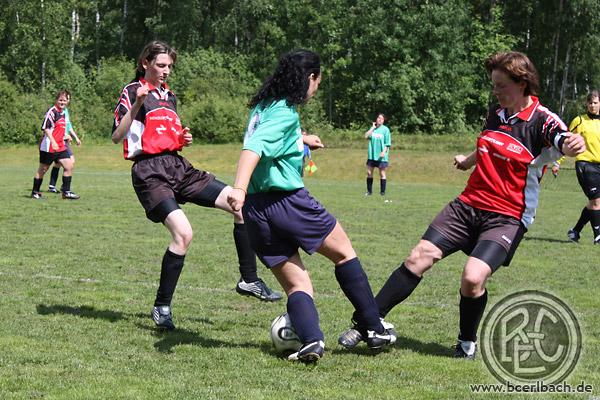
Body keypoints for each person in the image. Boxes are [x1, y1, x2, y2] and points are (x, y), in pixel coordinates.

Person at [338, 51, 586, 359]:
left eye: (501, 85)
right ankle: (368, 324)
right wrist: (468, 161)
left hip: (507, 216)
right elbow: (490, 143)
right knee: (419, 256)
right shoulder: (496, 113)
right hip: (467, 205)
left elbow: (563, 140)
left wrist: (572, 144)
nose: (495, 92)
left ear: (522, 83)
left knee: (472, 278)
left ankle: (466, 341)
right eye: (493, 85)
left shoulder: (542, 120)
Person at [227, 49, 396, 363]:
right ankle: (375, 328)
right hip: (287, 202)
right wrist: (238, 187)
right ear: (310, 77)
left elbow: (270, 139)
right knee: (344, 253)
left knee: (298, 285)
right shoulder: (284, 111)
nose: (316, 89)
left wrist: (301, 139)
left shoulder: (263, 107)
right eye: (318, 82)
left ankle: (311, 341)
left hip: (256, 211)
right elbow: (255, 147)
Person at [111, 40, 281, 331]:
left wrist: (181, 139)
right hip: (150, 173)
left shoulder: (170, 96)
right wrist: (138, 102)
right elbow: (117, 136)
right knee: (184, 234)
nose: (166, 71)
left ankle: (249, 279)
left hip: (178, 166)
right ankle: (162, 306)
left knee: (239, 203)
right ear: (145, 63)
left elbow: (164, 134)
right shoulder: (132, 91)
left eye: (169, 66)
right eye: (161, 65)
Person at [551, 90, 600, 243]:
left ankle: (575, 231)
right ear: (586, 104)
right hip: (585, 165)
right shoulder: (579, 121)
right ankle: (598, 237)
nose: (592, 105)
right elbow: (565, 143)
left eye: (595, 103)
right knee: (596, 202)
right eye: (590, 103)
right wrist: (557, 162)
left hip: (598, 166)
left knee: (594, 203)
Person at [30, 90, 80, 200]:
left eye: (65, 100)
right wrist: (53, 141)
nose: (62, 102)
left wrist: (66, 136)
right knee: (43, 169)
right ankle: (35, 192)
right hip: (49, 146)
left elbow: (58, 129)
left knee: (69, 166)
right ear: (56, 100)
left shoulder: (63, 113)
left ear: (68, 101)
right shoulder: (52, 112)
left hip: (60, 146)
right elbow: (46, 128)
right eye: (60, 100)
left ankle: (66, 192)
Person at [48, 91, 82, 193]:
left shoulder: (65, 111)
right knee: (69, 162)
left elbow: (68, 126)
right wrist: (64, 136)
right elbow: (55, 127)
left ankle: (54, 186)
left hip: (65, 140)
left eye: (67, 99)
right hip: (59, 140)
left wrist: (76, 137)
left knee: (59, 164)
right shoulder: (57, 111)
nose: (65, 101)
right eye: (62, 99)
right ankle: (63, 187)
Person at [365, 113, 391, 196]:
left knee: (382, 174)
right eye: (378, 118)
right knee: (369, 173)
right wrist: (372, 127)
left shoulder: (385, 130)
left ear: (383, 121)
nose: (379, 119)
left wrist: (384, 152)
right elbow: (366, 136)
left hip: (381, 156)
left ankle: (382, 192)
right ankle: (369, 192)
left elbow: (387, 143)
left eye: (381, 118)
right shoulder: (373, 129)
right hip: (372, 155)